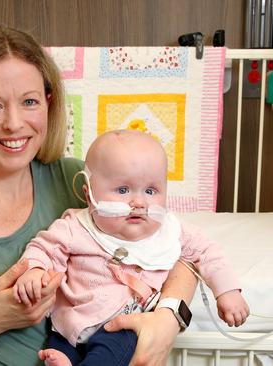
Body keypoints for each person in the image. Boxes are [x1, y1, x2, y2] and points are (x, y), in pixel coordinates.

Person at [0, 25, 198, 366]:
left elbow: (182, 250)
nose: (14, 123)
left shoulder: (78, 183)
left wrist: (168, 318)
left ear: (49, 103)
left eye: (29, 101)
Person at [13, 130, 249, 366]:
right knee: (59, 344)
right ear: (89, 195)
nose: (139, 203)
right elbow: (45, 247)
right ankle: (66, 359)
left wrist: (227, 291)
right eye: (123, 190)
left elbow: (207, 253)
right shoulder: (76, 227)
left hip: (125, 324)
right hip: (73, 322)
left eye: (150, 191)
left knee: (112, 352)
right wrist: (34, 270)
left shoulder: (171, 231)